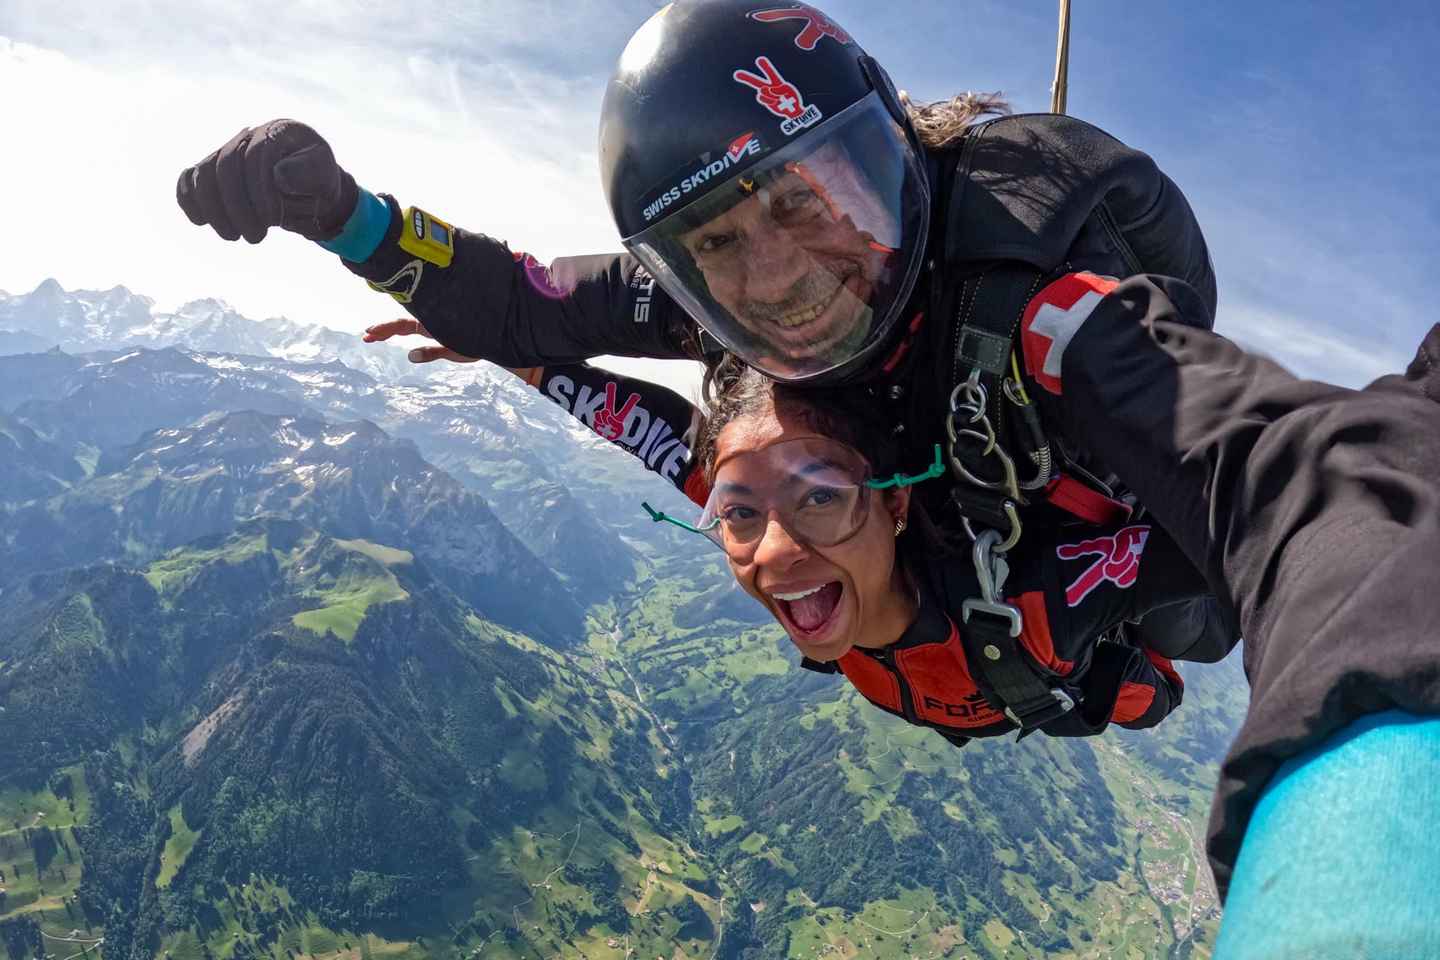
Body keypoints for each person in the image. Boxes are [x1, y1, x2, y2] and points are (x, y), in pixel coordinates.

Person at [172, 0, 1234, 665]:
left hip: (1060, 543)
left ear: (888, 164)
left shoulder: (1052, 323)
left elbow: (1264, 473)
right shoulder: (714, 321)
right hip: (950, 610)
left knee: (1198, 618)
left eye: (797, 202)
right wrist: (343, 215)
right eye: (712, 243)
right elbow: (520, 302)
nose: (775, 283)